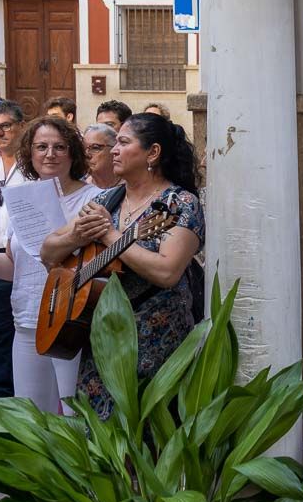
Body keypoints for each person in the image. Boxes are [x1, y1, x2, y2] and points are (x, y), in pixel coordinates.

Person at [43, 113, 204, 420]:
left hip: (156, 344)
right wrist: (77, 236)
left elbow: (168, 272)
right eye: (114, 143)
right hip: (102, 342)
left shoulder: (178, 204)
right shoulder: (107, 200)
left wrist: (110, 235)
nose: (113, 150)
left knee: (148, 443)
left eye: (123, 142)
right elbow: (48, 251)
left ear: (152, 153)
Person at [0, 117, 97, 415]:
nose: (49, 154)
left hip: (71, 321)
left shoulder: (92, 198)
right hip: (27, 319)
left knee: (73, 419)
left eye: (59, 147)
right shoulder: (21, 199)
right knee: (33, 419)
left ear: (72, 153)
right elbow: (16, 266)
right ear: (30, 152)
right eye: (41, 147)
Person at [0, 100, 26, 396]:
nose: (0, 133)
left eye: (6, 126)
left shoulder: (33, 167)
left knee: (5, 338)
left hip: (17, 260)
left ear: (20, 127)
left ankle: (4, 404)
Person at [82, 124, 118, 190]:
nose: (86, 154)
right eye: (83, 148)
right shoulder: (79, 187)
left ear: (114, 149)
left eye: (95, 148)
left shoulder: (129, 187)